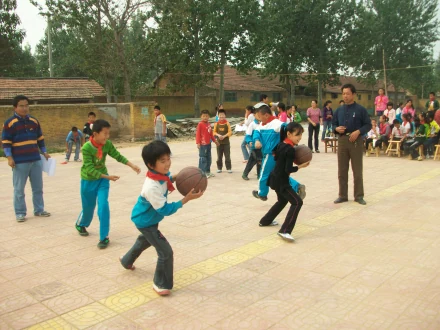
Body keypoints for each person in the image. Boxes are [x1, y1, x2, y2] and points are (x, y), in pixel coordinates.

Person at [120, 141, 203, 296]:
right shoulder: (151, 187)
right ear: (151, 165)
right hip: (145, 222)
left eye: (168, 159)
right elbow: (165, 209)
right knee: (165, 252)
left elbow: (168, 178)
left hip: (149, 219)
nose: (167, 164)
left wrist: (183, 175)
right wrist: (186, 199)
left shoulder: (160, 175)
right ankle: (160, 283)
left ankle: (126, 260)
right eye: (162, 161)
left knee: (144, 240)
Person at [75, 119, 141, 249]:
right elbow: (89, 169)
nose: (107, 136)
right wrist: (108, 177)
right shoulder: (86, 148)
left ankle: (104, 237)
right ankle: (81, 223)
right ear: (95, 134)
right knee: (88, 207)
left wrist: (132, 165)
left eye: (108, 133)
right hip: (88, 181)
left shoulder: (107, 144)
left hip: (103, 181)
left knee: (103, 207)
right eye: (105, 133)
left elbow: (117, 156)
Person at [2, 95, 51, 222]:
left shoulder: (34, 121)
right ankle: (20, 213)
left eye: (26, 105)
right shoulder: (9, 123)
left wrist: (44, 152)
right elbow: (6, 142)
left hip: (35, 159)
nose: (24, 108)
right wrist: (9, 157)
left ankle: (39, 210)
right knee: (19, 189)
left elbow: (40, 138)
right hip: (19, 162)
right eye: (21, 106)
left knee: (38, 188)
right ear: (15, 107)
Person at [258, 122, 310, 241]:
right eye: (297, 135)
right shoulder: (290, 150)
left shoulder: (281, 144)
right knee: (297, 202)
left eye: (300, 135)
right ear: (289, 134)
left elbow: (276, 158)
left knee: (282, 200)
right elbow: (288, 169)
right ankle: (285, 230)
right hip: (282, 181)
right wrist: (301, 166)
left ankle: (265, 221)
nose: (299, 138)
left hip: (274, 178)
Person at [252, 104, 305, 202]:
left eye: (260, 116)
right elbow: (256, 132)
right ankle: (297, 187)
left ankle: (262, 193)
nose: (258, 118)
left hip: (270, 154)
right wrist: (256, 140)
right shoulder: (261, 125)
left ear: (267, 115)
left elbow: (287, 128)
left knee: (263, 174)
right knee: (279, 174)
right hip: (276, 155)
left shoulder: (277, 124)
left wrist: (297, 131)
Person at [332, 84, 371, 205]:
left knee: (357, 170)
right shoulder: (339, 110)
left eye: (347, 93)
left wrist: (359, 131)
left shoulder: (361, 109)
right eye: (343, 93)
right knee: (342, 170)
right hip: (342, 140)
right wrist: (336, 129)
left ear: (354, 94)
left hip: (356, 141)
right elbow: (333, 125)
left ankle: (359, 196)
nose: (345, 96)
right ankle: (342, 195)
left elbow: (368, 125)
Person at [196, 110, 219, 178]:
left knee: (209, 158)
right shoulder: (200, 124)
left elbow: (211, 134)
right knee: (203, 159)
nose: (205, 117)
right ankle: (201, 173)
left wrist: (215, 141)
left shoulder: (208, 124)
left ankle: (207, 172)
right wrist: (198, 143)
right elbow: (198, 134)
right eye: (203, 116)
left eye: (206, 116)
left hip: (208, 144)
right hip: (203, 145)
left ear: (209, 117)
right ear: (201, 117)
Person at [242, 111, 262, 180]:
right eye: (258, 114)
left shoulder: (263, 124)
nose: (260, 115)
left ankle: (259, 175)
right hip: (254, 147)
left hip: (262, 147)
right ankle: (245, 174)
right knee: (252, 161)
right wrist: (249, 141)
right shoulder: (252, 124)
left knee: (260, 161)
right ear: (254, 114)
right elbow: (248, 135)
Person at [213, 109, 232, 173]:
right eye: (220, 115)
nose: (221, 117)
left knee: (227, 156)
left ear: (225, 116)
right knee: (219, 156)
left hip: (226, 143)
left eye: (223, 115)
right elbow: (214, 132)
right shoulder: (216, 123)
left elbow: (230, 132)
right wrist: (218, 135)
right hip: (218, 143)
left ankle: (229, 168)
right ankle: (219, 168)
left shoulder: (227, 123)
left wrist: (224, 136)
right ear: (218, 116)